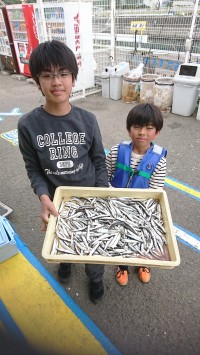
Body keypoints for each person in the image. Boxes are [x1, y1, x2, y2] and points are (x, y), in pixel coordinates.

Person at [17, 40, 109, 304]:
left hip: (89, 197)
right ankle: (66, 262)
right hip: (58, 202)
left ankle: (95, 277)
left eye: (63, 74)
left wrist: (102, 194)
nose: (56, 81)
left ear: (73, 78)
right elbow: (33, 170)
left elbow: (99, 161)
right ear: (37, 82)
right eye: (47, 75)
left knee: (94, 245)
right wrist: (43, 197)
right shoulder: (28, 125)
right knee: (65, 241)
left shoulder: (88, 120)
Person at [105, 103, 167, 286]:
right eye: (137, 127)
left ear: (157, 133)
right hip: (115, 204)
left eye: (149, 128)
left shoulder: (159, 162)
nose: (142, 132)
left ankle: (143, 262)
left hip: (141, 209)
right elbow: (105, 176)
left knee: (142, 236)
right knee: (120, 237)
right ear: (128, 129)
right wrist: (112, 195)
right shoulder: (117, 151)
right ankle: (122, 265)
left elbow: (156, 191)